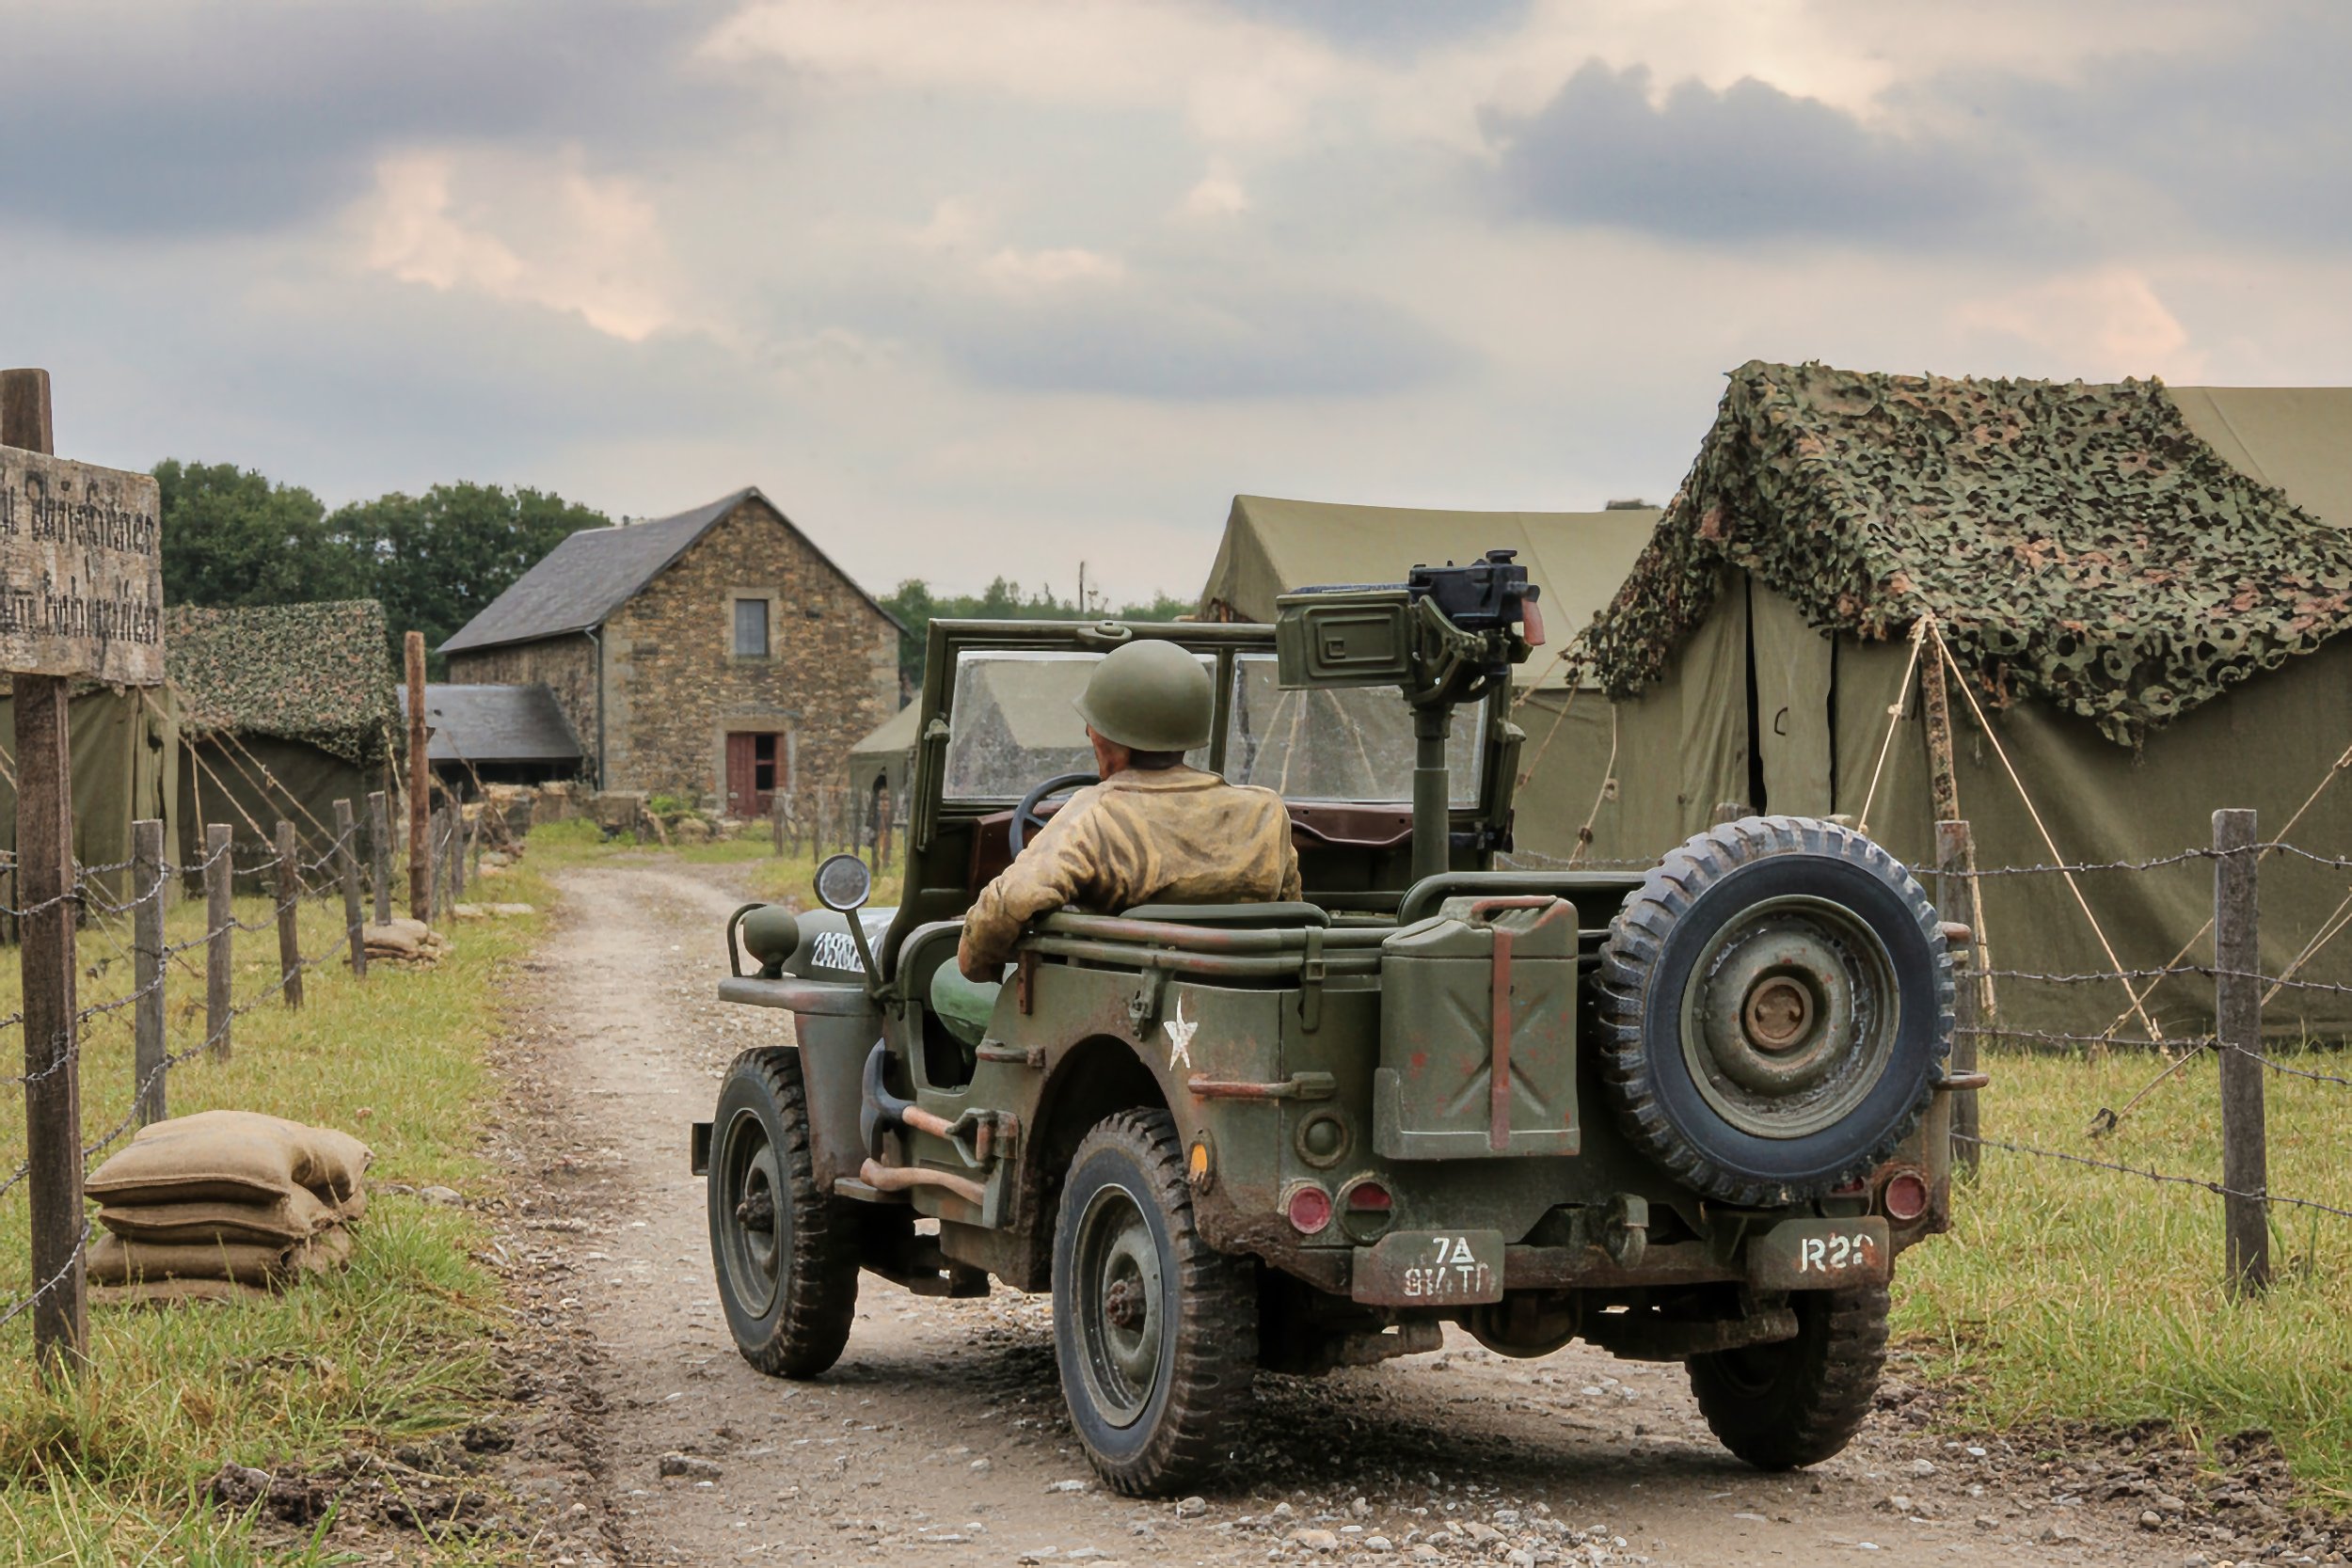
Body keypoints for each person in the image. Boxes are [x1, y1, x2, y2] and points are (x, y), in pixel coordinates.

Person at [932, 640, 1300, 1040]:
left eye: (1092, 724)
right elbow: (1291, 912)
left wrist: (977, 961)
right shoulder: (1264, 812)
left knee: (946, 981)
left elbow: (1013, 899)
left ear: (1108, 738)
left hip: (1116, 1016)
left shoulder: (1094, 813)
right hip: (1245, 1005)